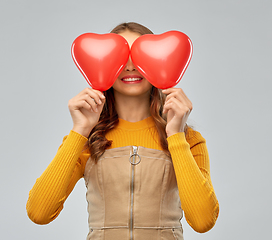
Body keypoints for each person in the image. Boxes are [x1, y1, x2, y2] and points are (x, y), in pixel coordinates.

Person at [26, 22, 219, 240]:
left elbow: (203, 221)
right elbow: (39, 212)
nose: (130, 66)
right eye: (119, 56)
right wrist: (79, 131)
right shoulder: (87, 139)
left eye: (139, 54)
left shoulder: (188, 139)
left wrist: (175, 135)